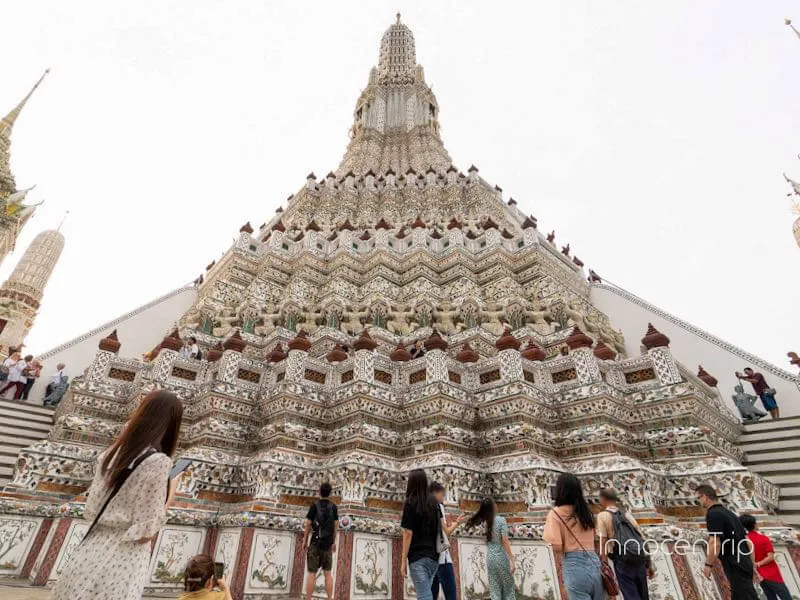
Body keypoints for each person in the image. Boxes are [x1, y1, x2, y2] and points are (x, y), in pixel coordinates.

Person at [51, 389, 184, 600]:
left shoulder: (110, 454)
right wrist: (171, 495)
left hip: (88, 552)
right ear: (171, 424)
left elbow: (92, 508)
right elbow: (144, 533)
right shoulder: (158, 463)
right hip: (121, 560)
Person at [543, 472, 604, 600]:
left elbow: (557, 546)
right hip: (594, 562)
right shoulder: (586, 512)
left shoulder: (555, 514)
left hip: (574, 565)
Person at [695, 484, 758, 600]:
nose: (698, 501)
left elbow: (715, 542)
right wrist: (752, 564)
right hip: (744, 561)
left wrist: (708, 564)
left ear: (705, 497)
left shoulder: (713, 514)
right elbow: (748, 543)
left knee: (745, 596)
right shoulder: (730, 513)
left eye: (698, 498)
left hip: (734, 562)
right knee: (744, 595)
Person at [597, 488, 653, 600]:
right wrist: (648, 564)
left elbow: (603, 541)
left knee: (630, 595)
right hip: (639, 559)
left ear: (603, 499)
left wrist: (603, 563)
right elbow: (641, 537)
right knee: (643, 596)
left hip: (622, 561)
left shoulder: (602, 516)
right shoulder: (627, 514)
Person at [401, 469, 441, 600]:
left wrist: (403, 562)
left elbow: (407, 533)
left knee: (424, 596)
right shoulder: (434, 502)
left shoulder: (410, 502)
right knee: (425, 594)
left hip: (417, 557)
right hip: (434, 557)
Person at [467, 497, 516, 600]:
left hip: (490, 558)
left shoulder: (485, 523)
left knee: (495, 590)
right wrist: (512, 558)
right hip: (501, 557)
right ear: (493, 507)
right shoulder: (501, 520)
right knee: (508, 589)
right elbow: (505, 540)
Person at [740, 514, 792, 600]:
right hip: (772, 574)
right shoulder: (763, 538)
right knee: (786, 597)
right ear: (754, 525)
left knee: (770, 597)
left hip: (760, 575)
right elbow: (770, 557)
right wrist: (759, 564)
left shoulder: (744, 541)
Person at [303, 482, 338, 600]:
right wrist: (334, 542)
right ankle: (329, 598)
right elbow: (336, 525)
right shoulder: (333, 507)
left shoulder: (314, 505)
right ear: (330, 493)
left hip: (315, 543)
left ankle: (308, 598)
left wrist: (305, 540)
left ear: (319, 491)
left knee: (312, 573)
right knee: (328, 573)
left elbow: (308, 523)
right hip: (327, 544)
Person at [430, 482, 464, 600]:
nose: (443, 498)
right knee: (450, 593)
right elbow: (446, 532)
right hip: (441, 557)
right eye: (442, 495)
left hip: (428, 557)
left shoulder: (421, 507)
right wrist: (457, 523)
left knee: (431, 594)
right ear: (435, 493)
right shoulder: (438, 507)